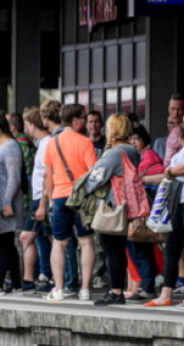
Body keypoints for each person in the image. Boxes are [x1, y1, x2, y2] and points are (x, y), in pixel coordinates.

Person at [40, 103, 97, 301]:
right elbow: (93, 172)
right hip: (81, 198)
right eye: (83, 117)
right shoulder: (85, 143)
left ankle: (58, 289)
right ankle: (85, 289)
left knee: (59, 242)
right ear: (75, 120)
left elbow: (48, 174)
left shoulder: (51, 143)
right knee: (86, 241)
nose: (85, 121)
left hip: (59, 197)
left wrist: (51, 198)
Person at [145, 116, 184, 307]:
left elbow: (170, 174)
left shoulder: (182, 156)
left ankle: (167, 294)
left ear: (180, 139)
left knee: (173, 249)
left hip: (180, 201)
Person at [88, 115, 142, 305]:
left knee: (112, 250)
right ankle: (118, 289)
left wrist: (87, 182)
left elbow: (95, 178)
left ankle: (116, 291)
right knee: (118, 249)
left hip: (112, 207)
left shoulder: (113, 153)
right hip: (124, 205)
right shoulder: (132, 151)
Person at [0, 113, 25, 295]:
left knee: (3, 243)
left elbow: (14, 177)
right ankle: (16, 283)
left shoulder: (11, 147)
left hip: (5, 202)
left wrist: (7, 202)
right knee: (6, 243)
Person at [126, 124, 162, 300]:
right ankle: (146, 285)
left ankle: (147, 286)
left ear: (144, 139)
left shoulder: (148, 157)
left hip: (143, 210)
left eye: (136, 138)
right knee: (141, 247)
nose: (133, 142)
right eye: (130, 139)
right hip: (145, 209)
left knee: (141, 247)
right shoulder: (144, 155)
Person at [19, 106, 52, 294]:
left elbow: (48, 174)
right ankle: (43, 274)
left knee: (27, 236)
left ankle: (30, 278)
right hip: (39, 196)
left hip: (41, 197)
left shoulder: (46, 143)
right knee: (41, 237)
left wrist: (42, 202)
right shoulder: (40, 143)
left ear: (31, 125)